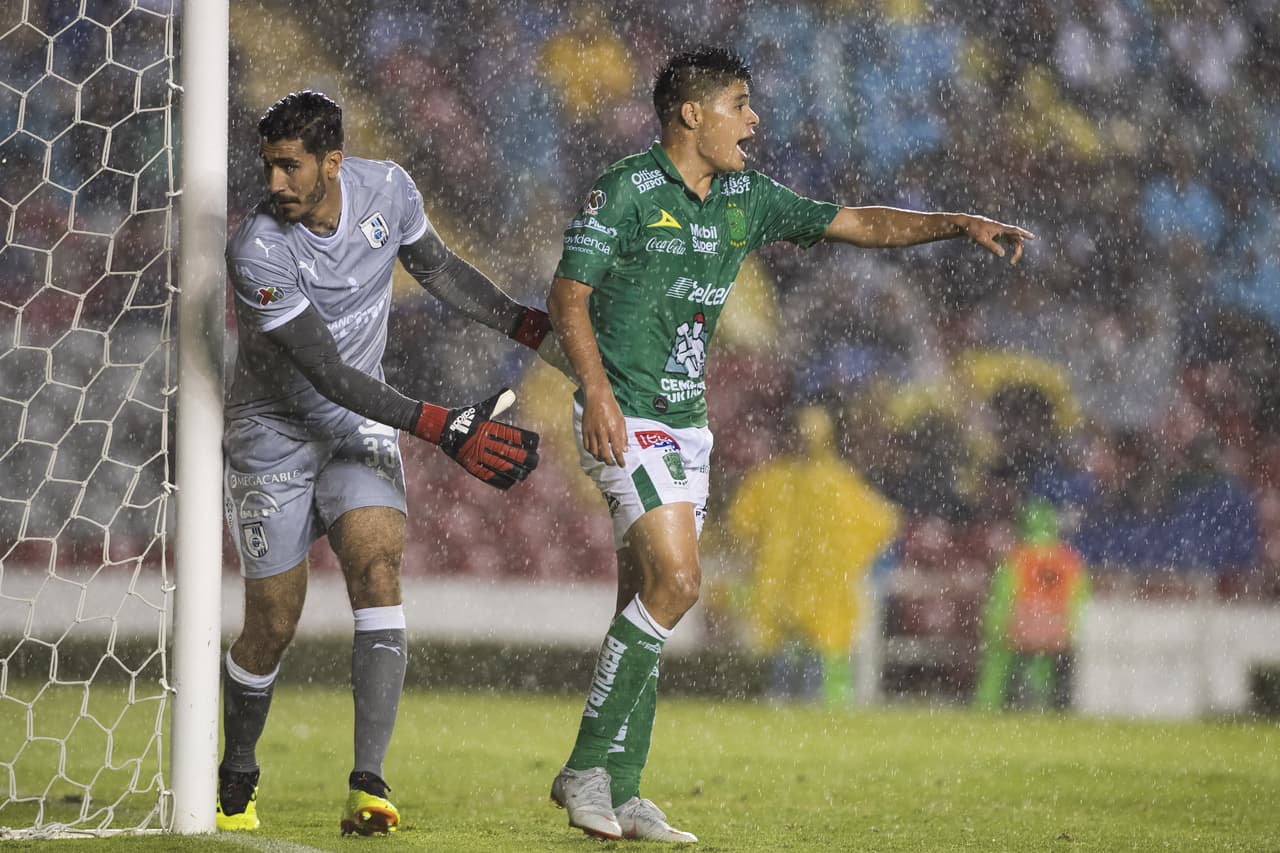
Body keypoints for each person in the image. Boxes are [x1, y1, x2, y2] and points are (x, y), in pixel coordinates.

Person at [544, 46, 1035, 843]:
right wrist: (596, 391)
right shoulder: (628, 189)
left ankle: (625, 788)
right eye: (740, 102)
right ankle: (587, 767)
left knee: (645, 603)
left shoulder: (746, 196)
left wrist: (955, 223)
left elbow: (859, 223)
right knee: (678, 581)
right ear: (691, 113)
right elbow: (569, 291)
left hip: (687, 423)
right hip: (624, 411)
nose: (755, 118)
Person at [218, 90, 560, 835]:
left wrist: (521, 320)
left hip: (358, 427)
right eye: (268, 166)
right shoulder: (257, 251)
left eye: (288, 166)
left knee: (377, 565)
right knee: (273, 622)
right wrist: (441, 425)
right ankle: (236, 771)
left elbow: (439, 269)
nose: (273, 183)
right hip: (272, 433)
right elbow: (327, 371)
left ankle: (367, 783)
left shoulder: (390, 190)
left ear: (333, 162)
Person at [727, 405, 900, 707]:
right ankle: (794, 708)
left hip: (818, 585)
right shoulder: (780, 479)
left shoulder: (833, 482)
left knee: (816, 654)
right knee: (790, 652)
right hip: (791, 583)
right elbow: (742, 522)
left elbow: (881, 523)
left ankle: (809, 708)